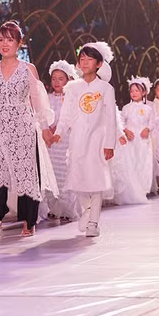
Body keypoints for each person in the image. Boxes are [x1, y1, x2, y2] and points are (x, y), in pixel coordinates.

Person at [0, 21, 58, 238]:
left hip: (23, 128)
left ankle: (29, 221)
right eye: (1, 39)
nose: (4, 44)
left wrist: (44, 128)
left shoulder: (27, 69)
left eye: (10, 39)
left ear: (19, 43)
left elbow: (38, 101)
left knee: (26, 175)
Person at [52, 42, 116, 237]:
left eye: (90, 59)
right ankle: (87, 210)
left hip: (97, 139)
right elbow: (67, 113)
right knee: (77, 178)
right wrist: (59, 132)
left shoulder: (105, 88)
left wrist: (109, 144)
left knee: (95, 180)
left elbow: (111, 118)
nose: (85, 62)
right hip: (77, 139)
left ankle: (93, 223)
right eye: (82, 59)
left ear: (98, 63)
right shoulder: (73, 87)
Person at [43, 60, 82, 221]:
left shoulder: (72, 98)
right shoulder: (46, 98)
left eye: (61, 78)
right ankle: (53, 208)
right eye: (54, 78)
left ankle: (68, 210)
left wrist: (59, 128)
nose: (57, 82)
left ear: (68, 80)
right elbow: (42, 115)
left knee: (65, 174)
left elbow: (74, 119)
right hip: (50, 144)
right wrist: (47, 127)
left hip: (65, 142)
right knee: (51, 174)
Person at [111, 77, 154, 204]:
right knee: (131, 163)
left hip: (143, 140)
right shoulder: (126, 108)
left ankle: (142, 189)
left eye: (137, 91)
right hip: (130, 140)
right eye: (132, 91)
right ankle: (131, 190)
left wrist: (147, 129)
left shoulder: (148, 109)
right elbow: (121, 122)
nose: (134, 93)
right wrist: (124, 130)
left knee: (143, 163)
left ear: (144, 93)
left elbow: (152, 122)